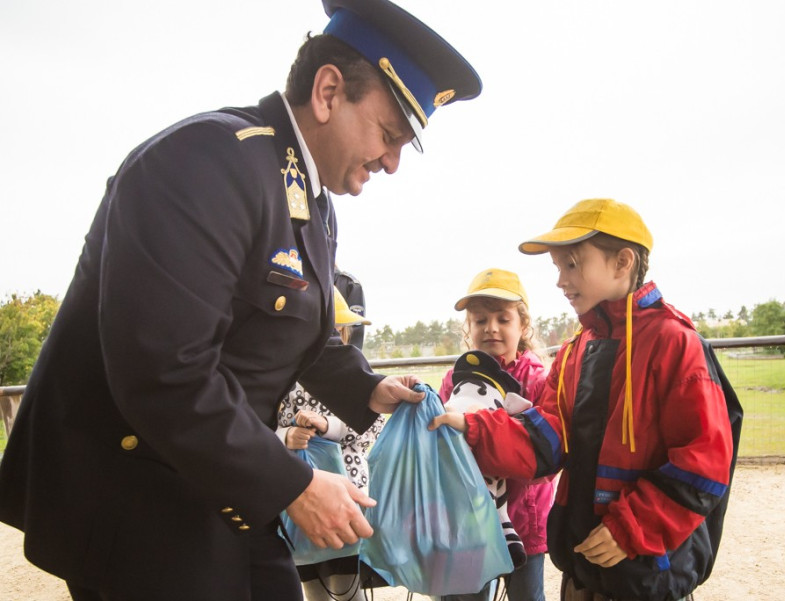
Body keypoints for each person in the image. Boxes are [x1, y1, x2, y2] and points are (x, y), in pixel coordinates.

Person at [0, 0, 482, 599]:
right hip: (141, 501)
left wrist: (367, 386)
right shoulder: (207, 162)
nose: (391, 163)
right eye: (389, 135)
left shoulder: (311, 198)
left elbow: (293, 328)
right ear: (328, 91)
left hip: (217, 482)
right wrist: (296, 486)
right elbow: (164, 371)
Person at [430, 199, 742, 601]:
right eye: (558, 267)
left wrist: (630, 529)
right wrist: (473, 428)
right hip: (583, 561)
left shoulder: (674, 343)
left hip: (645, 567)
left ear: (622, 262)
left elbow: (704, 461)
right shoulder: (576, 350)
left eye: (572, 264)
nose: (561, 280)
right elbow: (545, 437)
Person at [437, 268, 553, 601]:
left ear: (523, 326)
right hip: (469, 522)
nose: (491, 328)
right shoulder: (454, 381)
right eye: (480, 320)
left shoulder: (537, 381)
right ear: (468, 327)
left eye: (503, 319)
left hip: (524, 523)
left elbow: (546, 453)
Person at [277, 286, 385, 601]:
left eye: (338, 330)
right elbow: (265, 427)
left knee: (346, 584)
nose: (331, 337)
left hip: (348, 497)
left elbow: (370, 430)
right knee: (312, 585)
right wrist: (287, 436)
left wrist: (328, 426)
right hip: (300, 497)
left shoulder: (359, 381)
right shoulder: (284, 380)